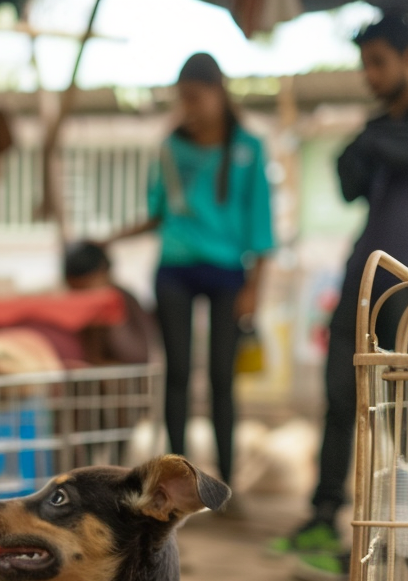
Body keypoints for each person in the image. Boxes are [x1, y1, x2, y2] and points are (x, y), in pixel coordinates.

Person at [269, 13, 408, 581]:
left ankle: (395, 538)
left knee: (403, 421)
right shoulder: (379, 128)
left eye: (378, 62)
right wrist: (373, 137)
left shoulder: (386, 133)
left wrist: (379, 138)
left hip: (406, 294)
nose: (368, 75)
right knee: (338, 404)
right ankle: (324, 522)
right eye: (365, 63)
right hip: (362, 285)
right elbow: (348, 180)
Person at [110, 52, 274, 497]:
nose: (190, 108)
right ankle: (177, 481)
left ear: (219, 93)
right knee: (177, 373)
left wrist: (255, 288)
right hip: (175, 271)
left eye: (197, 98)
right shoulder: (170, 147)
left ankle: (227, 481)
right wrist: (111, 238)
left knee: (223, 377)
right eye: (183, 99)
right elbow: (158, 213)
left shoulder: (249, 148)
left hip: (227, 274)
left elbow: (262, 225)